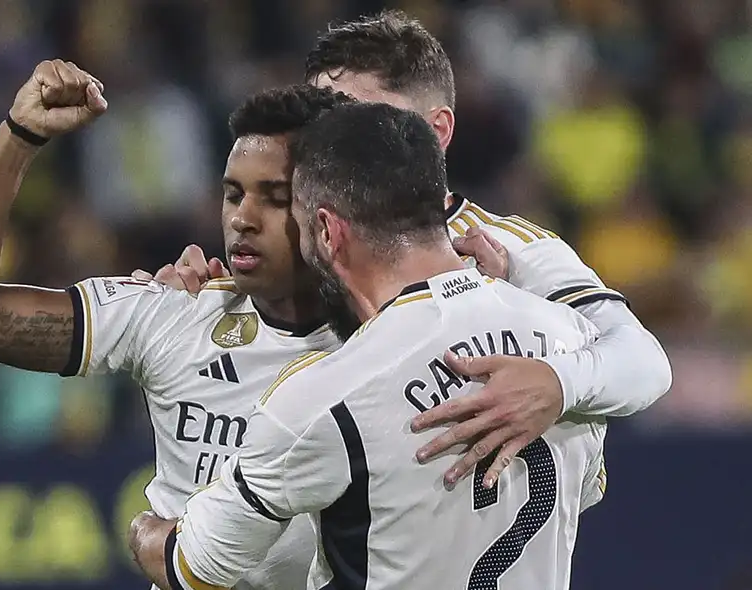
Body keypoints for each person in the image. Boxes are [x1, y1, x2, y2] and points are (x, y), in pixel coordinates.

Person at [136, 9, 672, 487]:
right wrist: (192, 304)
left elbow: (644, 363)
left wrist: (558, 381)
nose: (331, 144)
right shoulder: (292, 237)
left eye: (361, 119)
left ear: (436, 131)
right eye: (322, 122)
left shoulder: (510, 248)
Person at [0, 59, 385, 589]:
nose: (241, 219)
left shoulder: (396, 344)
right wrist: (18, 139)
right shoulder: (174, 311)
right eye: (233, 194)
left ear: (332, 208)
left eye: (274, 199)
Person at [129, 101, 608, 590]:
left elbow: (194, 568)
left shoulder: (325, 394)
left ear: (329, 232)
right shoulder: (572, 340)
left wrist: (145, 529)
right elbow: (585, 492)